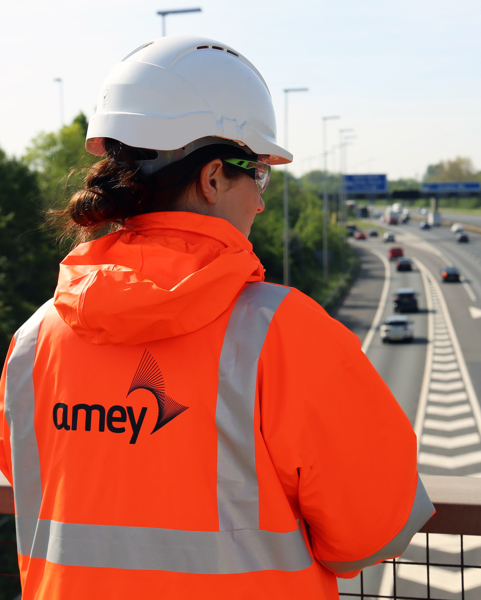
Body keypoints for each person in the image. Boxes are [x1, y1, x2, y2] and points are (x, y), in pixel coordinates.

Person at [0, 35, 433, 599]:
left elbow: (35, 483)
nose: (259, 199)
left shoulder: (34, 342)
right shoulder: (283, 334)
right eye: (257, 174)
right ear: (212, 179)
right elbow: (373, 533)